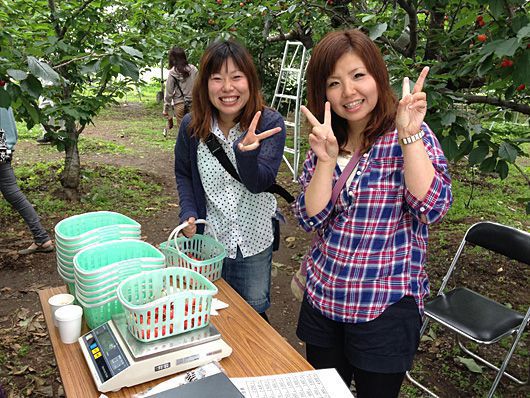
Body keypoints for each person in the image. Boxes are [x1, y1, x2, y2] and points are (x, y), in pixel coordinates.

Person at [292, 29, 453, 397]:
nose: (348, 92)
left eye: (358, 75)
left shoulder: (411, 134)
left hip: (385, 306)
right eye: (334, 82)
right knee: (323, 392)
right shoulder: (325, 139)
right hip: (324, 298)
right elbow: (308, 218)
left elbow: (432, 208)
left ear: (377, 76)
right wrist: (326, 161)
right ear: (323, 92)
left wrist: (409, 136)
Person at [174, 39, 286, 320]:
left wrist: (246, 154)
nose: (227, 88)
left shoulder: (269, 125)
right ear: (205, 84)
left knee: (253, 315)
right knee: (210, 311)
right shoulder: (191, 126)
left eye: (236, 77)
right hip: (210, 239)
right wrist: (188, 211)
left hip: (253, 238)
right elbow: (184, 173)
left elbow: (259, 183)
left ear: (250, 81)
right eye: (217, 79)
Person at [0, 105, 54, 255]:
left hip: (1, 144)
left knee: (14, 194)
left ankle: (42, 238)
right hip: (5, 145)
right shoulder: (4, 89)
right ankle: (42, 238)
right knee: (13, 194)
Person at [163, 46, 198, 136]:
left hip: (180, 105)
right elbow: (200, 86)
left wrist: (165, 109)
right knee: (194, 129)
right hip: (194, 104)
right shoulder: (193, 69)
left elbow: (169, 93)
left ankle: (184, 149)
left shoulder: (172, 72)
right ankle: (194, 148)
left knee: (182, 132)